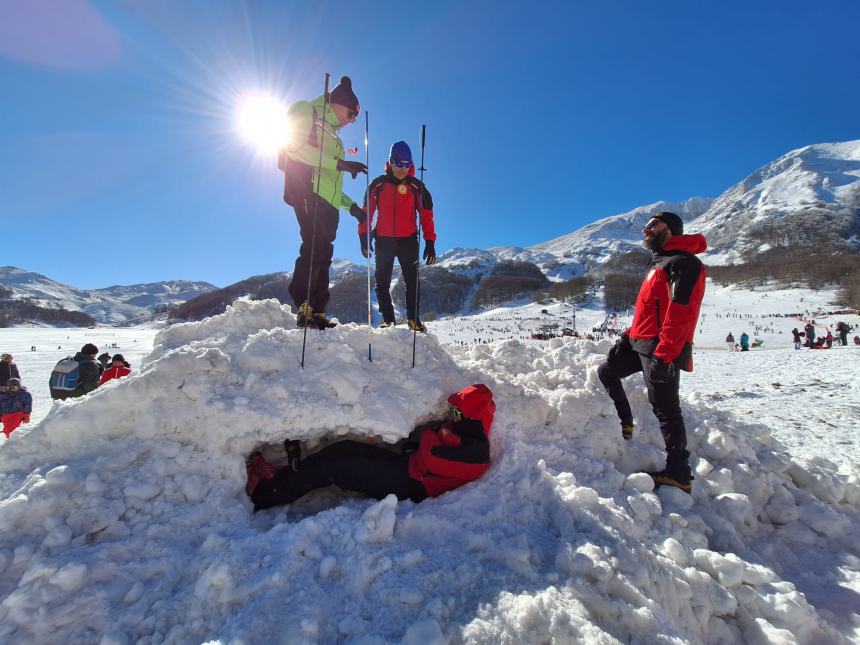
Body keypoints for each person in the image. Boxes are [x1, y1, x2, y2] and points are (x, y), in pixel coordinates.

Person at [247, 384, 494, 511]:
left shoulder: (476, 454)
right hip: (408, 467)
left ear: (473, 417)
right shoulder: (459, 431)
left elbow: (431, 454)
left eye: (457, 411)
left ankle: (264, 494)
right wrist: (439, 436)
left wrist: (433, 435)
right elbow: (432, 448)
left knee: (336, 466)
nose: (451, 415)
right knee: (343, 447)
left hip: (411, 486)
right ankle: (282, 476)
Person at [597, 212, 706, 493]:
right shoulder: (659, 262)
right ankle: (626, 422)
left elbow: (682, 313)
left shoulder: (684, 263)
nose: (646, 229)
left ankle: (679, 473)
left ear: (671, 229)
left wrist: (665, 354)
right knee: (607, 371)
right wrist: (628, 336)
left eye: (652, 224)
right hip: (641, 342)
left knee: (666, 409)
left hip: (661, 346)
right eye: (645, 225)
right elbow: (649, 308)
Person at [279, 75, 368, 330]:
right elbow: (292, 147)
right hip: (307, 190)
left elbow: (333, 183)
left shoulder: (335, 137)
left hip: (328, 203)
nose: (351, 120)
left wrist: (352, 208)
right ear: (338, 103)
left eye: (355, 117)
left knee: (325, 253)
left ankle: (318, 310)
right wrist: (338, 163)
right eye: (351, 114)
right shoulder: (306, 110)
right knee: (314, 245)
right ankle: (304, 304)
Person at [358, 141, 438, 332]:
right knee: (381, 282)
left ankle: (413, 319)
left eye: (407, 164)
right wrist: (364, 235)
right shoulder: (378, 184)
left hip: (408, 240)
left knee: (412, 281)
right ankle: (388, 321)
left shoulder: (416, 187)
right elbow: (366, 212)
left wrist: (430, 241)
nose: (403, 168)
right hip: (384, 241)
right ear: (390, 162)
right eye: (399, 163)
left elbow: (426, 215)